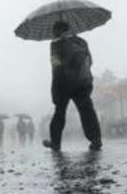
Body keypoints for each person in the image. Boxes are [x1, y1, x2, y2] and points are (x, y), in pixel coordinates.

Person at [43, 21, 102, 151]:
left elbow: (56, 66)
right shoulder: (81, 42)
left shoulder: (56, 44)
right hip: (82, 82)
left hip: (64, 84)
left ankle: (55, 143)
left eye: (54, 31)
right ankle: (96, 139)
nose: (53, 33)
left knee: (59, 112)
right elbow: (90, 61)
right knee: (87, 111)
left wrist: (55, 91)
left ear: (58, 30)